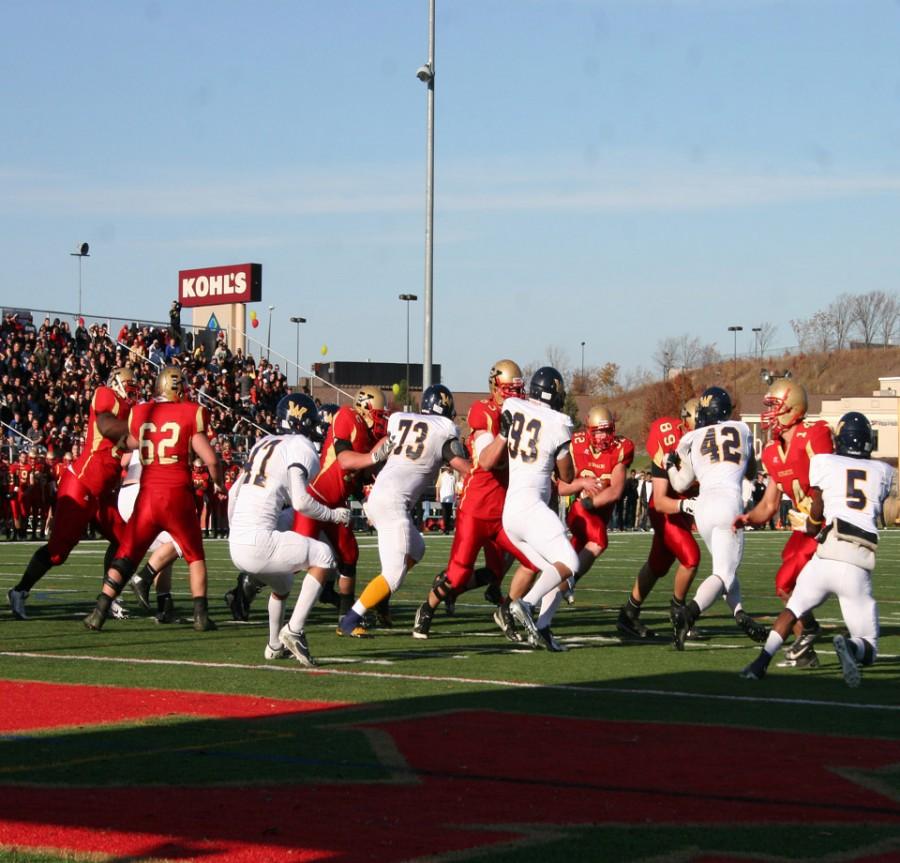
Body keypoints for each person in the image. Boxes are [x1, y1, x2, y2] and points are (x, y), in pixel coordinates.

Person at [741, 412, 893, 687]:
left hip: (825, 554)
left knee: (793, 608)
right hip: (856, 563)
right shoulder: (884, 471)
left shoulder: (825, 461)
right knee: (868, 647)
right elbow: (881, 507)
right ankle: (850, 647)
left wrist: (811, 525)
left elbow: (818, 505)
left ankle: (760, 662)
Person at [83, 365, 223, 632]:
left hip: (147, 495)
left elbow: (130, 443)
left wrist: (119, 444)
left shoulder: (142, 411)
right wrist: (217, 482)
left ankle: (99, 611)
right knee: (194, 554)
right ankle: (200, 615)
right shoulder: (190, 412)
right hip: (177, 493)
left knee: (126, 553)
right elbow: (212, 460)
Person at [411, 360, 535, 641]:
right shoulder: (484, 412)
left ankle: (504, 610)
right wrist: (505, 433)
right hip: (477, 509)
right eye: (508, 390)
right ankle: (428, 606)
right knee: (457, 573)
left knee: (530, 562)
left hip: (504, 510)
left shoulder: (524, 412)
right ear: (495, 388)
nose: (514, 395)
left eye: (517, 389)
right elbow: (489, 460)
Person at [339, 384, 471, 635]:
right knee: (394, 574)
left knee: (417, 548)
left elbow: (380, 448)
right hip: (393, 503)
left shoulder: (400, 420)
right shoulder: (444, 430)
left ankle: (380, 598)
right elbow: (460, 464)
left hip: (380, 496)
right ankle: (349, 621)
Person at [7, 368, 137, 620]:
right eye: (129, 385)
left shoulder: (130, 412)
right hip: (82, 484)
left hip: (103, 492)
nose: (133, 390)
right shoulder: (105, 395)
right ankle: (19, 590)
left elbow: (124, 444)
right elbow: (107, 427)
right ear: (116, 384)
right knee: (57, 552)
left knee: (125, 542)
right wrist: (138, 432)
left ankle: (107, 597)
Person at [229, 394, 349, 666]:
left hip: (238, 540)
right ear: (306, 421)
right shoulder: (300, 445)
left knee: (283, 583)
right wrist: (333, 515)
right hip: (258, 541)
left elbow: (235, 491)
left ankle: (273, 645)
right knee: (324, 557)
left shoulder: (263, 442)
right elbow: (301, 501)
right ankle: (294, 630)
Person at [495, 367, 600, 651]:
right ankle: (525, 604)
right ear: (555, 393)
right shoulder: (559, 421)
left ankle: (543, 628)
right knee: (571, 562)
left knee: (558, 573)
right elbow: (566, 475)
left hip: (511, 512)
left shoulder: (513, 405)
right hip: (531, 507)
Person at [733, 380, 834, 668]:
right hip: (804, 531)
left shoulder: (814, 435)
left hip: (824, 525)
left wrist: (816, 519)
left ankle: (810, 632)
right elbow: (768, 505)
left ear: (793, 407)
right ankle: (807, 651)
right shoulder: (772, 452)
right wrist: (747, 518)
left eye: (774, 407)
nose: (770, 414)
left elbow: (826, 484)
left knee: (784, 582)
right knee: (787, 572)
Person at [667, 386, 768, 649]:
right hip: (728, 503)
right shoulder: (742, 430)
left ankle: (739, 613)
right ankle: (688, 614)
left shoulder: (691, 439)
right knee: (723, 573)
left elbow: (679, 485)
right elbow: (751, 470)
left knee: (723, 570)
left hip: (703, 507)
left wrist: (668, 466)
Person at [291, 386, 392, 635]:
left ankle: (346, 619)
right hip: (315, 499)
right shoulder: (347, 415)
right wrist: (375, 455)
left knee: (349, 555)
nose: (379, 421)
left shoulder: (369, 436)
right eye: (378, 414)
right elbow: (346, 459)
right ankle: (245, 589)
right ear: (365, 408)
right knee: (293, 559)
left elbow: (362, 475)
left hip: (337, 504)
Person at [616, 399, 702, 640]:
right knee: (691, 558)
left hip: (686, 509)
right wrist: (687, 503)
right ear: (686, 424)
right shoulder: (668, 439)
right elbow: (662, 499)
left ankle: (628, 614)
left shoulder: (707, 442)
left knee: (657, 565)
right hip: (666, 509)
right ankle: (678, 612)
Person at [562, 405, 634, 600]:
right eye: (598, 431)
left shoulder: (620, 449)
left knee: (565, 565)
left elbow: (616, 490)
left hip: (595, 511)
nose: (603, 436)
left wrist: (591, 503)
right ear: (588, 430)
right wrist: (581, 483)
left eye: (606, 431)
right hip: (579, 510)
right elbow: (559, 486)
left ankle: (539, 601)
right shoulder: (575, 445)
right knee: (599, 541)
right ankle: (569, 583)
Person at [437, 466, 456, 534]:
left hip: (451, 498)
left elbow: (454, 487)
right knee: (445, 513)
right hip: (444, 497)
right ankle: (444, 528)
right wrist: (437, 496)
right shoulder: (442, 475)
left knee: (449, 514)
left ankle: (447, 529)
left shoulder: (453, 476)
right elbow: (438, 486)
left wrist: (455, 495)